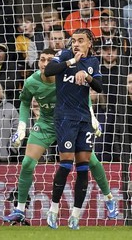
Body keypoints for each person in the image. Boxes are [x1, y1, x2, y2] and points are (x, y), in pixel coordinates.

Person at [2, 48, 118, 225]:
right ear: (38, 62)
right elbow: (25, 102)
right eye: (42, 59)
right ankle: (19, 209)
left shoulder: (64, 76)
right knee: (27, 163)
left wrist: (92, 117)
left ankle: (109, 198)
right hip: (47, 124)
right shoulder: (32, 81)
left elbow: (82, 95)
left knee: (91, 162)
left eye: (49, 59)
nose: (45, 63)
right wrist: (22, 126)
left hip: (70, 123)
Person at [44, 28, 105, 230]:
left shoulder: (93, 62)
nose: (76, 44)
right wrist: (71, 63)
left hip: (84, 120)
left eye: (81, 40)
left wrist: (86, 77)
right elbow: (48, 71)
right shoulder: (64, 55)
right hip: (65, 118)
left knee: (83, 167)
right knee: (66, 163)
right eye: (74, 40)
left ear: (89, 43)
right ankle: (53, 210)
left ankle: (75, 216)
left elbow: (99, 87)